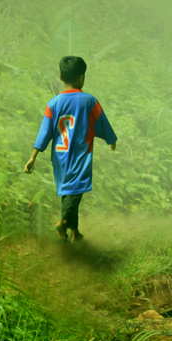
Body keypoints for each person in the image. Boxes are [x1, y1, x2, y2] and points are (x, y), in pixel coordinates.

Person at [24, 55, 118, 242]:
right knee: (76, 191)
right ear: (82, 77)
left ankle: (74, 232)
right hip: (80, 154)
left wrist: (33, 156)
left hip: (59, 156)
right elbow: (102, 123)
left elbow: (45, 132)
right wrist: (111, 139)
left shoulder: (53, 103)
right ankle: (63, 222)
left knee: (69, 191)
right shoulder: (89, 101)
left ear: (60, 77)